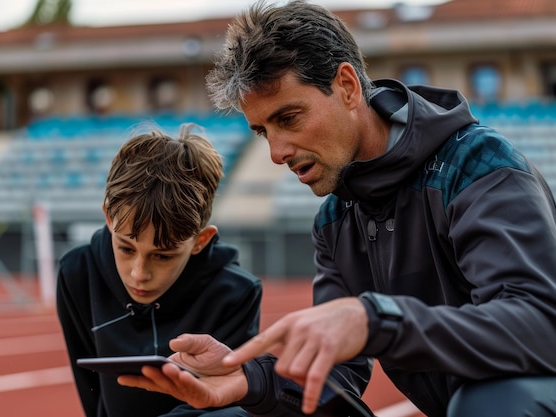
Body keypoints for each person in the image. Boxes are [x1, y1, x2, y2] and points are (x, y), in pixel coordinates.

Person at [117, 1, 556, 416]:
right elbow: (337, 377)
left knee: (495, 398)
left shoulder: (479, 166)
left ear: (346, 86)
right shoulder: (335, 219)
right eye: (261, 131)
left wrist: (377, 320)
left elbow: (540, 326)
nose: (276, 152)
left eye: (288, 119)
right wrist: (247, 378)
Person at [56, 124, 263, 417]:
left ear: (200, 241)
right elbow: (90, 391)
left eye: (163, 256)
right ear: (109, 218)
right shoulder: (77, 273)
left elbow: (229, 403)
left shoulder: (236, 293)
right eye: (126, 249)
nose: (139, 274)